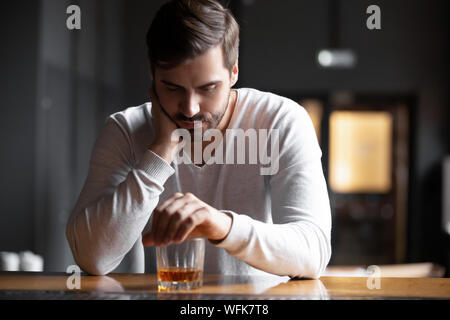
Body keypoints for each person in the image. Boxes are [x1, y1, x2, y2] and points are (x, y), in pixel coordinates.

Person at [66, 0, 332, 279]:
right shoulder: (125, 130)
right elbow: (92, 258)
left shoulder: (281, 120)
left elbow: (313, 252)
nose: (189, 108)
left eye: (208, 88)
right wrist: (159, 152)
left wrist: (221, 226)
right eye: (171, 87)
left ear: (234, 73)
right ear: (152, 75)